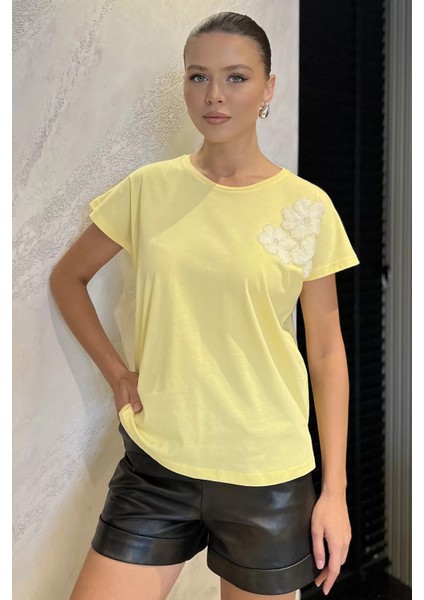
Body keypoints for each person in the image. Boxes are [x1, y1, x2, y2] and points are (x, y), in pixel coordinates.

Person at [50, 11, 359, 600]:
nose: (214, 95)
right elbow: (69, 278)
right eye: (198, 76)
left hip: (267, 474)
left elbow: (325, 352)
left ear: (268, 88)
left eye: (236, 77)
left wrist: (335, 493)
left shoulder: (307, 208)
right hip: (157, 466)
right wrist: (116, 373)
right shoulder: (148, 188)